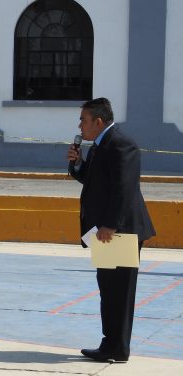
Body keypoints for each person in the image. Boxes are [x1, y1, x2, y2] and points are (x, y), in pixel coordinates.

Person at [67, 97, 155, 362]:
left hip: (119, 230)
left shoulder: (120, 143)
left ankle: (118, 348)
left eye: (83, 120)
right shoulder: (99, 145)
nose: (80, 125)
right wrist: (78, 163)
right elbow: (94, 181)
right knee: (108, 288)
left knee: (120, 291)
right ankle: (110, 344)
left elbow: (124, 188)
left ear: (99, 121)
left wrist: (110, 224)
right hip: (107, 231)